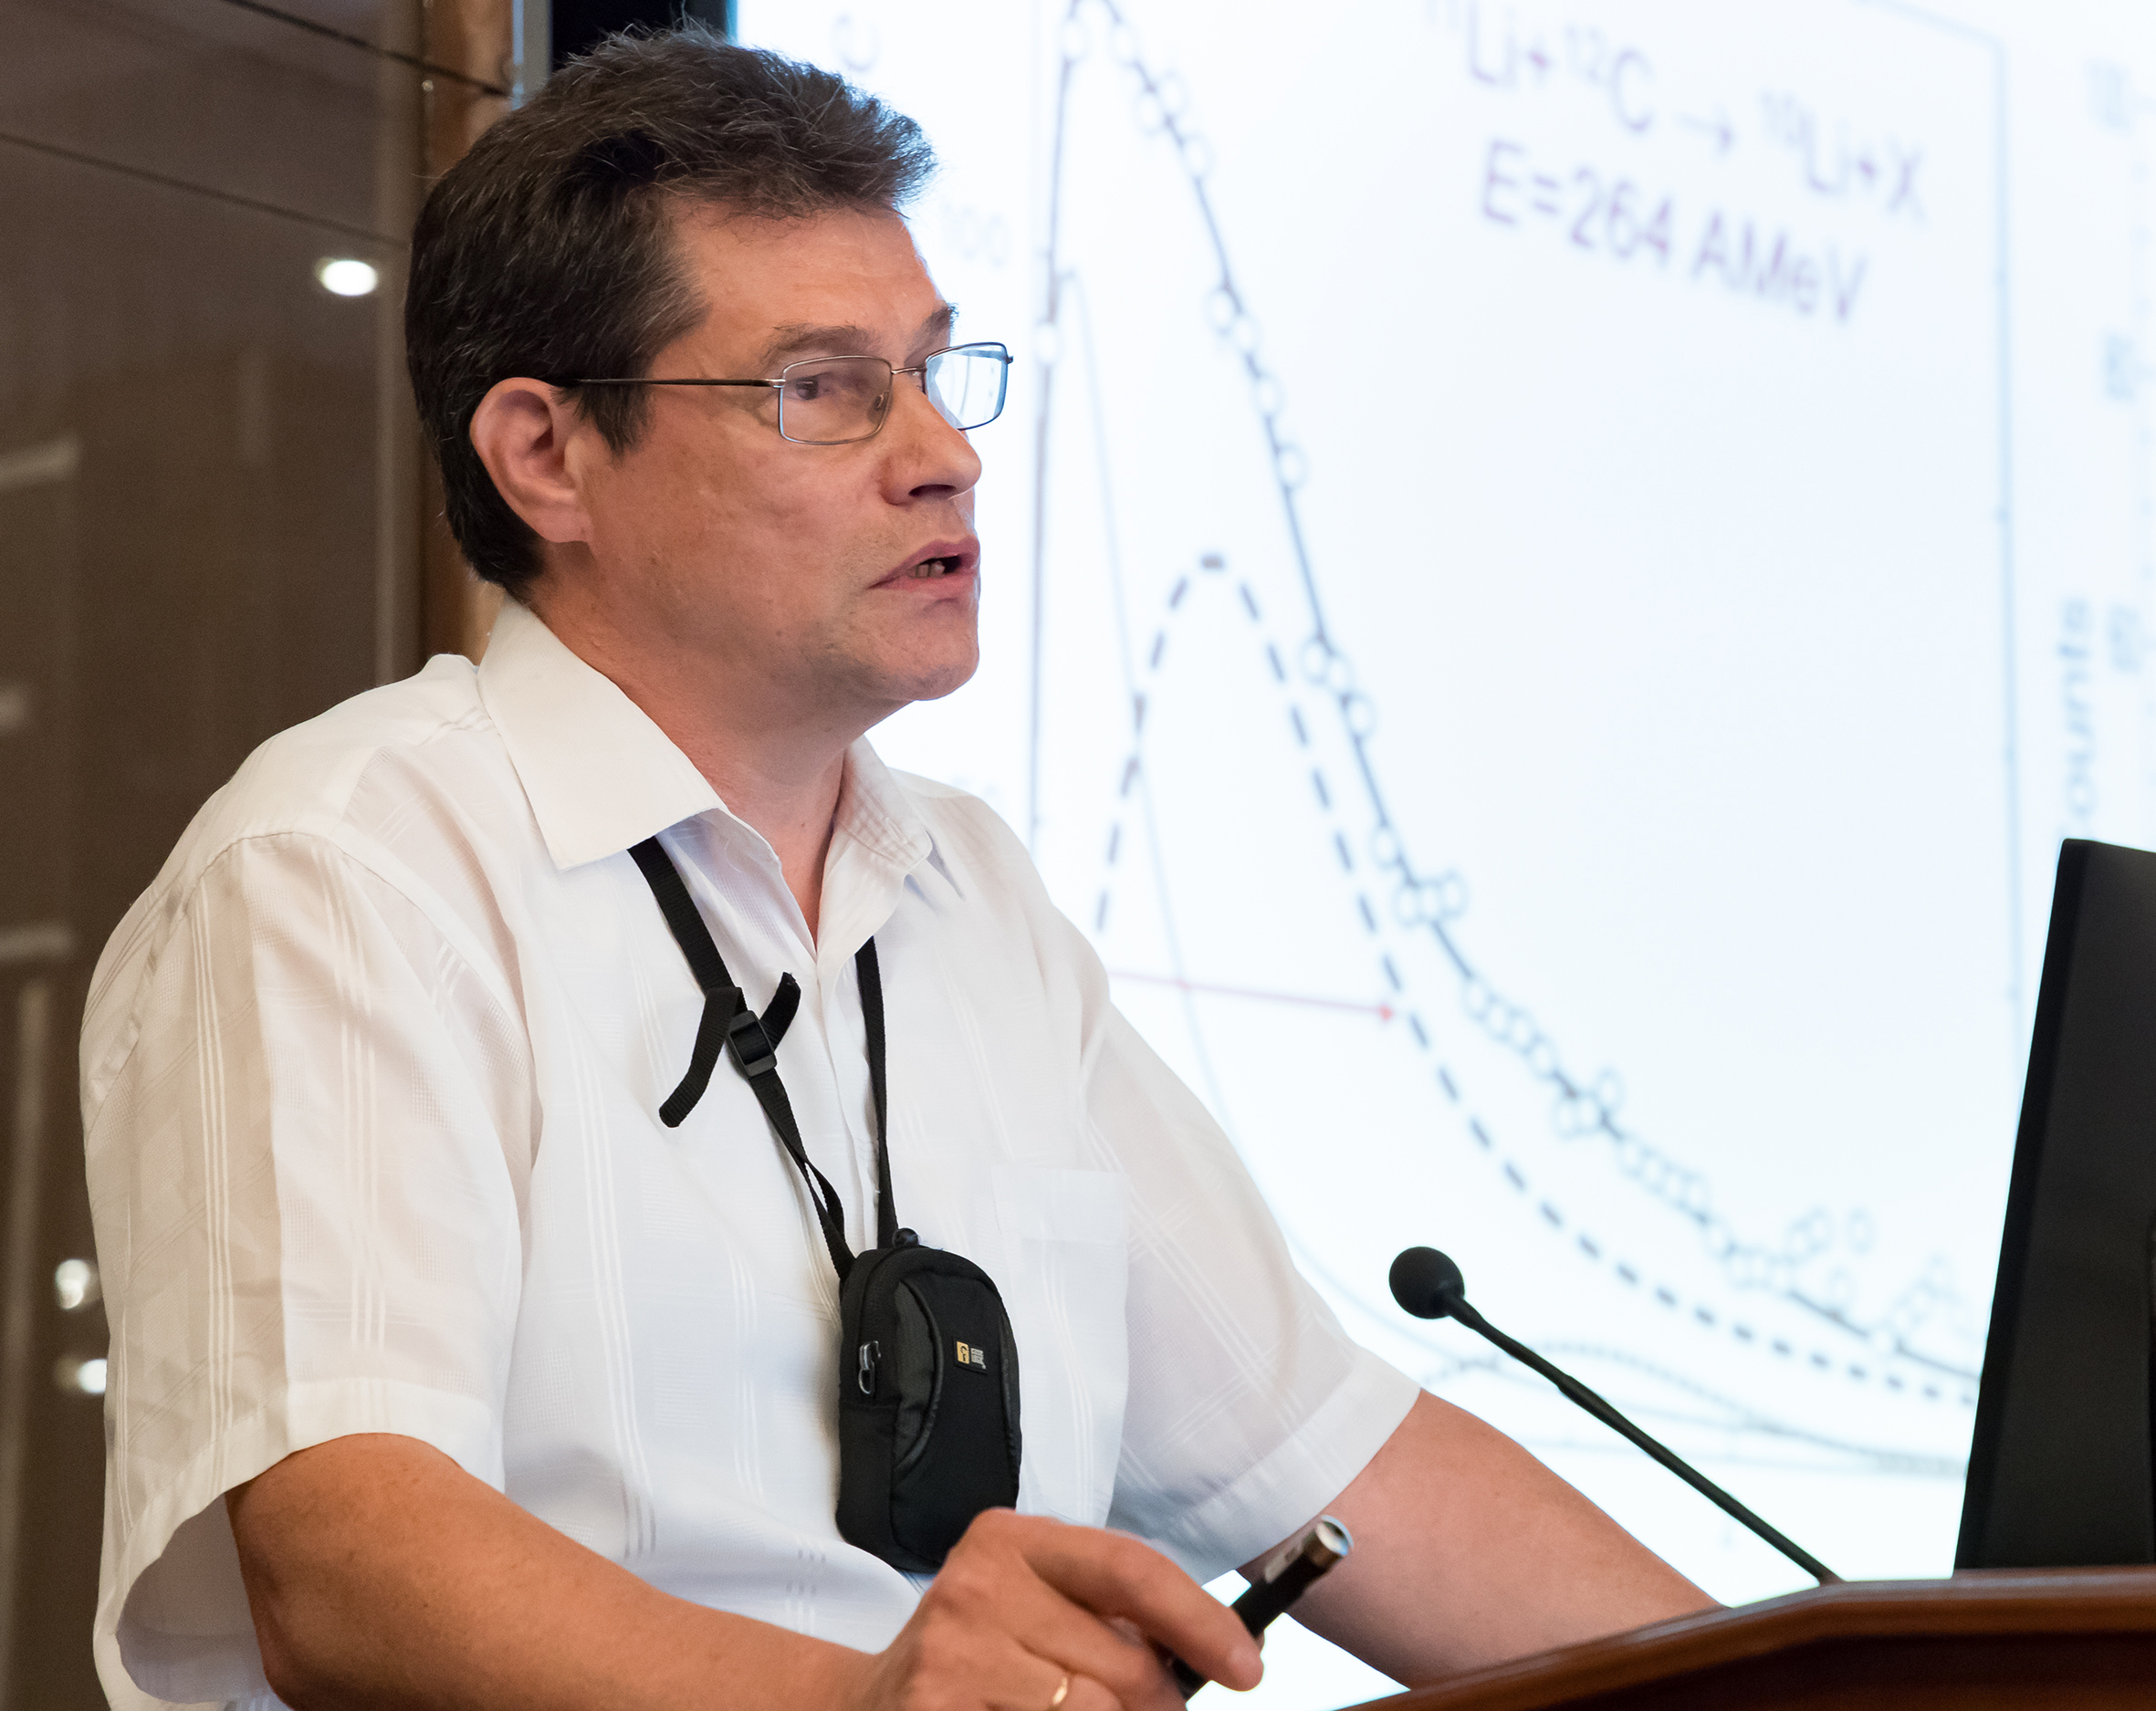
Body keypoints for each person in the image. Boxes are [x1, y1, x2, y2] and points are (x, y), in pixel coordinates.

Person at [80, 28, 1711, 1711]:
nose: (944, 453)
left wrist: (1825, 1682)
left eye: (933, 371)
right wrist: (855, 1704)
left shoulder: (969, 896)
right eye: (824, 390)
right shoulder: (348, 867)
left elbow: (1342, 1465)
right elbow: (348, 1561)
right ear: (547, 457)